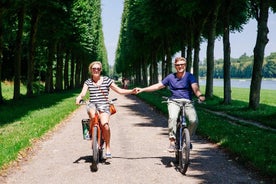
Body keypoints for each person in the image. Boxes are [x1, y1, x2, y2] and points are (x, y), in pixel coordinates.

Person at [136, 57, 205, 152]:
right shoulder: (170, 77)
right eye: (178, 65)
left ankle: (187, 138)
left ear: (185, 65)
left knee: (194, 121)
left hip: (188, 102)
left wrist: (200, 95)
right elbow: (158, 86)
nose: (180, 66)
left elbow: (195, 88)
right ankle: (172, 141)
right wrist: (143, 89)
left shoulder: (190, 76)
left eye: (182, 64)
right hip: (174, 101)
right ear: (175, 66)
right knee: (172, 118)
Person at [76, 61, 136, 158]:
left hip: (104, 105)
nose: (96, 70)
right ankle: (91, 132)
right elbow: (83, 93)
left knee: (105, 125)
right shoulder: (88, 82)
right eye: (94, 68)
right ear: (91, 70)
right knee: (92, 115)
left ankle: (108, 146)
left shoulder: (107, 80)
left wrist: (131, 91)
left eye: (98, 69)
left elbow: (119, 90)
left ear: (100, 70)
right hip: (92, 104)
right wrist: (79, 98)